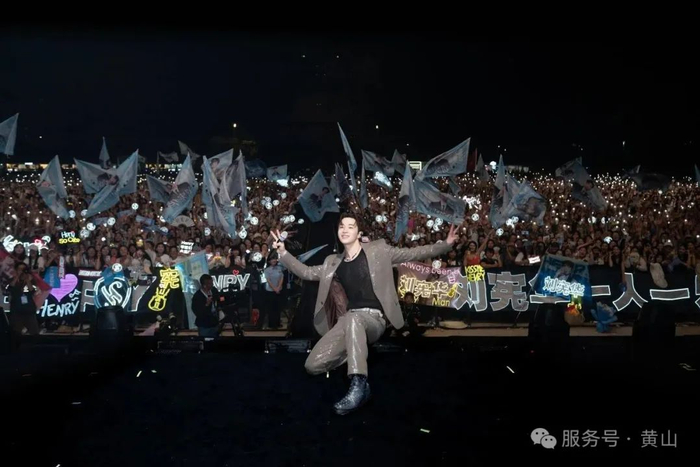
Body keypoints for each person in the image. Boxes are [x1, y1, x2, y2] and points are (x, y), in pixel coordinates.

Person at [271, 212, 456, 415]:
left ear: (359, 233)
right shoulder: (333, 262)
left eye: (351, 226)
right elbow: (306, 272)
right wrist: (283, 253)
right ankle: (357, 357)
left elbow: (413, 253)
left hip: (374, 319)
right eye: (342, 226)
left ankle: (359, 383)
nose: (345, 230)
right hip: (348, 321)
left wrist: (445, 245)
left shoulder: (379, 251)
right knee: (313, 365)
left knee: (354, 318)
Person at [8, 263, 40, 336]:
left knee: (34, 333)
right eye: (20, 269)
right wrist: (17, 276)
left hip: (29, 310)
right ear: (16, 270)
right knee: (15, 333)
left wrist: (27, 279)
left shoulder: (31, 280)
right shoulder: (12, 279)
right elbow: (10, 289)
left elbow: (32, 291)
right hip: (16, 310)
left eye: (23, 269)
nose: (22, 271)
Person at [262, 253, 284, 329]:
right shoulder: (267, 270)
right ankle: (271, 324)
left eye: (275, 259)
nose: (274, 260)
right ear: (269, 261)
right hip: (270, 291)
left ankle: (278, 323)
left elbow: (281, 278)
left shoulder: (279, 268)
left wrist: (278, 287)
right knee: (271, 309)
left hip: (279, 290)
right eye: (272, 259)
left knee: (278, 308)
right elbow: (268, 281)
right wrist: (274, 289)